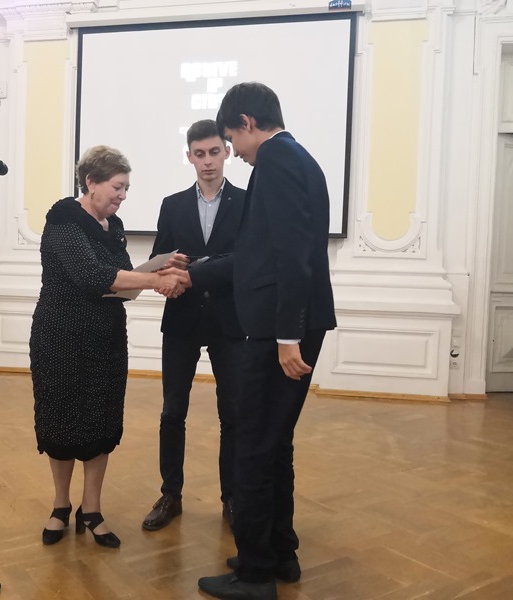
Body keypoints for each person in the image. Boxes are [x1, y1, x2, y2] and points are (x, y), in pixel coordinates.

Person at [183, 83, 337, 600]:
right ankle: (278, 553)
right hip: (283, 326)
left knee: (252, 444)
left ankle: (254, 574)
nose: (234, 152)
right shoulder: (294, 159)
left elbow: (293, 257)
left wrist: (288, 337)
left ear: (247, 123)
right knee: (273, 444)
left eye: (231, 140)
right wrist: (194, 272)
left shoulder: (276, 162)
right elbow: (262, 255)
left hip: (278, 331)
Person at [29, 145, 187, 550]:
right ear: (91, 182)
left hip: (107, 337)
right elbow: (91, 275)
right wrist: (156, 281)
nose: (123, 196)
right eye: (118, 187)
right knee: (61, 420)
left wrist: (156, 269)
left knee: (101, 421)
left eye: (126, 188)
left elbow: (121, 278)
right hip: (61, 336)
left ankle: (92, 509)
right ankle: (60, 505)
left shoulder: (113, 225)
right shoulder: (63, 218)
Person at [141, 120, 247, 532]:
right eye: (199, 154)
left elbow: (247, 260)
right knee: (172, 411)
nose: (207, 161)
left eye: (214, 152)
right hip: (182, 318)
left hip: (229, 319)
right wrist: (167, 264)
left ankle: (232, 498)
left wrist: (199, 269)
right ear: (188, 156)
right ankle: (171, 494)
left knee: (232, 413)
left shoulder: (246, 202)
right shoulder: (172, 205)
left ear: (227, 152)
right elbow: (159, 259)